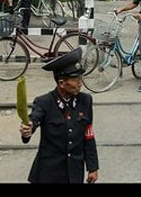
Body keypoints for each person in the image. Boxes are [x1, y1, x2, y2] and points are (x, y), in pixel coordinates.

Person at [19, 47, 99, 184]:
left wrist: (93, 167)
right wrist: (28, 129)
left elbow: (88, 135)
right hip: (49, 172)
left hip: (74, 172)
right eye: (76, 80)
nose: (80, 83)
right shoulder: (44, 102)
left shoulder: (85, 101)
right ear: (62, 83)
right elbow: (35, 118)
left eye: (81, 78)